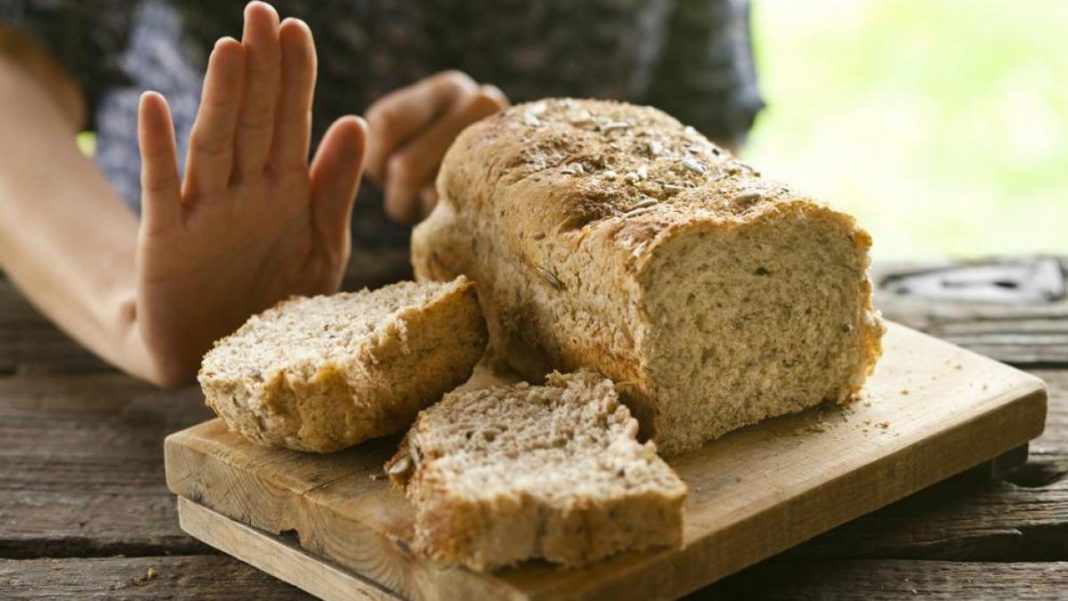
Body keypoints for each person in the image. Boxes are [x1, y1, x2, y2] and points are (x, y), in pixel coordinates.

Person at [0, 0, 762, 387]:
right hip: (138, 358)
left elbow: (702, 132)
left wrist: (533, 166)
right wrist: (126, 302)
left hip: (548, 368)